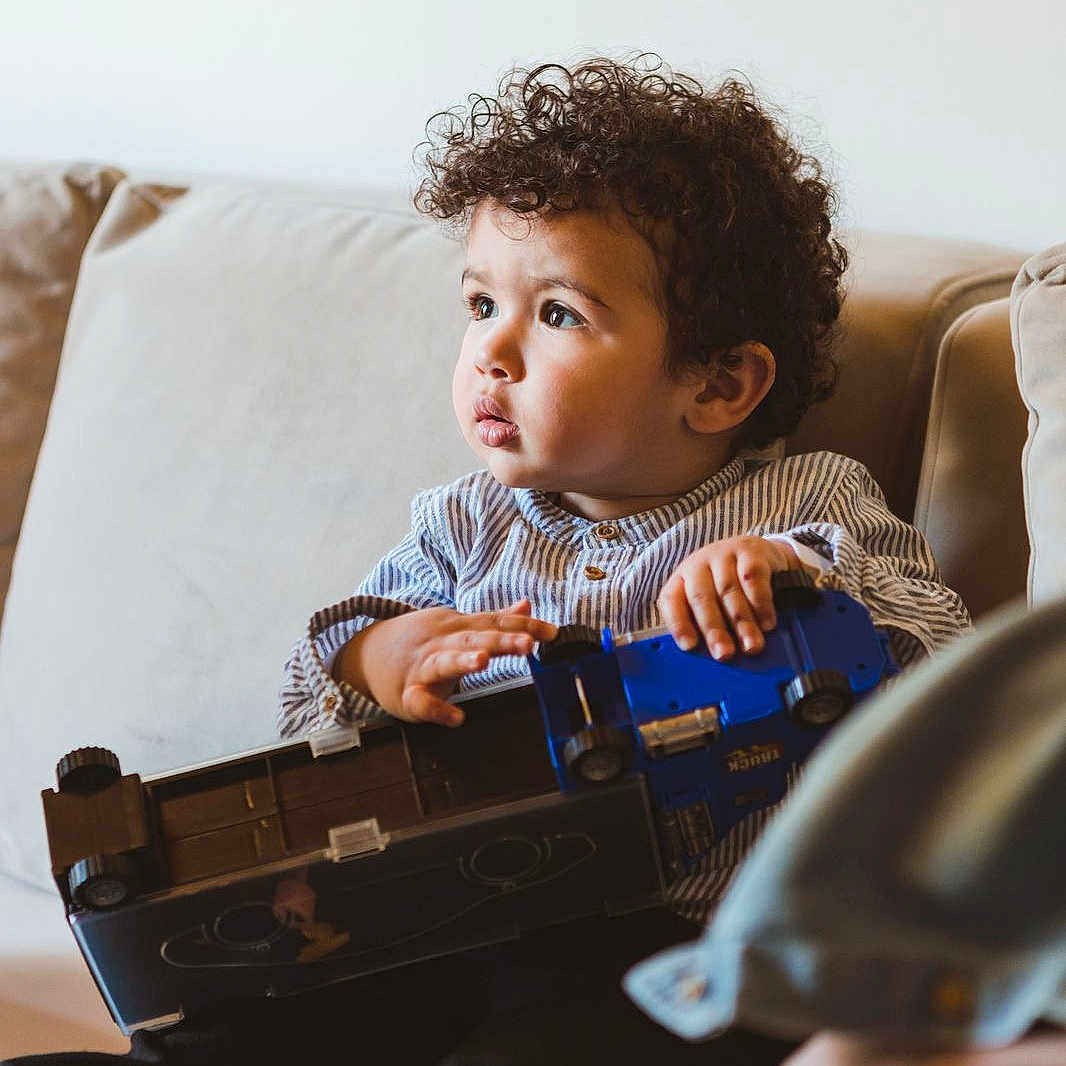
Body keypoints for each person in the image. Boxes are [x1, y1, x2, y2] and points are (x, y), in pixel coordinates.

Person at [7, 54, 970, 1066]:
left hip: (680, 943)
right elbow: (310, 700)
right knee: (244, 1025)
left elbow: (940, 654)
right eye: (479, 306)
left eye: (556, 314)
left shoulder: (805, 499)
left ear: (718, 383)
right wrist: (379, 660)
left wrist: (793, 574)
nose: (492, 352)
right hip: (445, 921)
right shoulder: (463, 525)